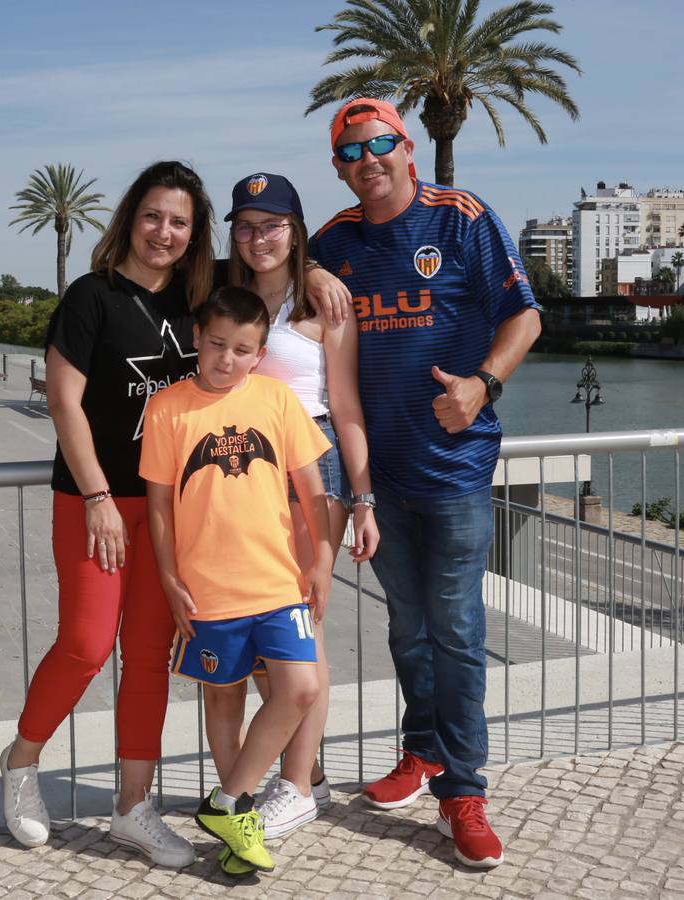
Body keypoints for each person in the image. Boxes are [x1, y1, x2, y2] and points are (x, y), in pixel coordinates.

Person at [308, 98, 541, 869]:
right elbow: (275, 272)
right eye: (351, 151)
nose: (367, 159)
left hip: (456, 472)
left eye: (380, 144)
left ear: (409, 148)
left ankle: (464, 791)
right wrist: (308, 266)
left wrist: (482, 384)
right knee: (406, 630)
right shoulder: (335, 242)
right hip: (381, 478)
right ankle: (425, 753)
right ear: (338, 167)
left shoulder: (462, 218)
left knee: (457, 631)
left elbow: (525, 318)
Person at [0, 160, 215, 868]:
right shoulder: (91, 296)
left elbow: (273, 287)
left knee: (150, 657)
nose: (164, 232)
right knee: (87, 646)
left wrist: (320, 278)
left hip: (164, 507)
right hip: (94, 502)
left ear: (194, 233)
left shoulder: (199, 305)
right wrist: (96, 498)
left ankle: (132, 808)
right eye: (153, 216)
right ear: (131, 218)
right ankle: (22, 760)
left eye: (179, 222)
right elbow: (65, 401)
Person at [141, 286, 334, 876]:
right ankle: (238, 826)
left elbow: (314, 490)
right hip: (207, 588)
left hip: (277, 581)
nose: (227, 359)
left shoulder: (277, 401)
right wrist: (170, 577)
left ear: (260, 353)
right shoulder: (168, 408)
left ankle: (226, 802)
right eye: (218, 344)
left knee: (298, 688)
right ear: (198, 338)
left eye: (243, 349)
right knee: (222, 700)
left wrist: (321, 560)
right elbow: (158, 505)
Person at [221, 172, 379, 839]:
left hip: (309, 466)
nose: (260, 239)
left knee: (298, 627)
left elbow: (345, 406)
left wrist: (365, 499)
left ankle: (294, 786)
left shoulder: (326, 307)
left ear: (296, 229)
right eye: (247, 226)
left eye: (274, 225)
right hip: (242, 471)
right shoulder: (224, 299)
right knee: (263, 632)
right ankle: (302, 769)